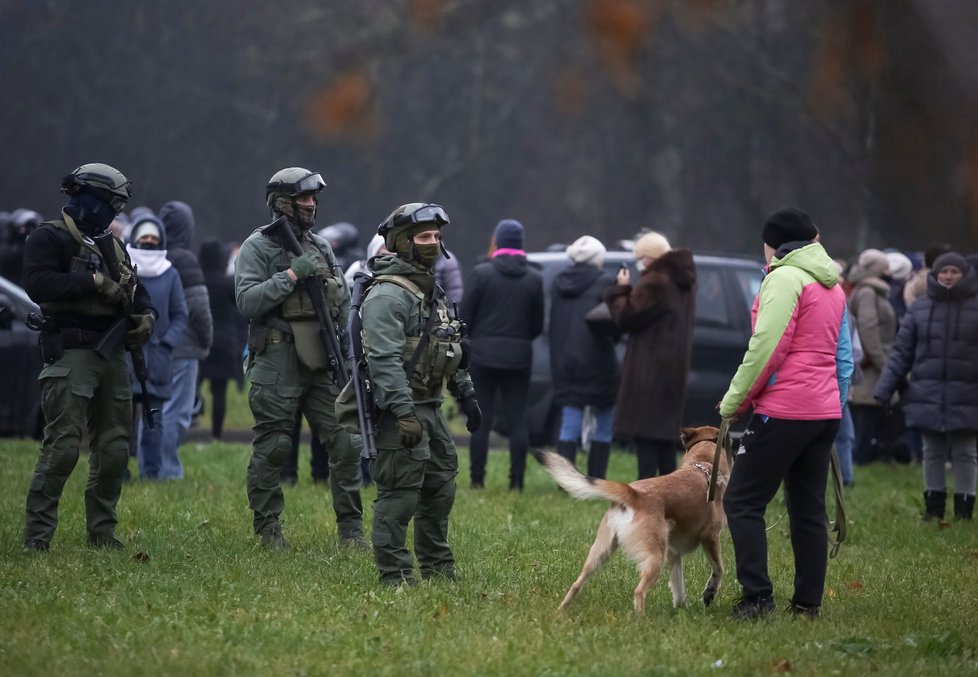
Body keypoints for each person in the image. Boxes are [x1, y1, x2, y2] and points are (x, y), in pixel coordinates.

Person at [719, 207, 852, 620]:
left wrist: (733, 403)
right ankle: (807, 605)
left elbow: (765, 349)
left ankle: (757, 599)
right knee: (808, 508)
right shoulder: (832, 285)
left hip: (784, 411)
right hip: (823, 412)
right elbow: (842, 358)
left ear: (774, 243)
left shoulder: (784, 278)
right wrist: (833, 404)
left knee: (742, 501)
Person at [21, 163, 155, 551]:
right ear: (89, 198)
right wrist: (93, 282)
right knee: (62, 447)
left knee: (114, 450)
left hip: (111, 354)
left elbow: (138, 291)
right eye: (111, 203)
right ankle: (38, 537)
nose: (114, 212)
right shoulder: (49, 236)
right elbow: (37, 283)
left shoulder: (112, 244)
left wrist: (148, 317)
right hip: (70, 351)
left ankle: (102, 533)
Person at [234, 167, 366, 550]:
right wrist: (290, 276)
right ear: (281, 204)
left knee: (346, 443)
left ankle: (351, 532)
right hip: (277, 357)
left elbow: (340, 296)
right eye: (303, 199)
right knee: (274, 445)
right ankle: (268, 529)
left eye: (313, 199)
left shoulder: (321, 246)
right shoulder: (257, 246)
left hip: (321, 356)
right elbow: (247, 301)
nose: (311, 205)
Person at [360, 202, 481, 585]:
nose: (433, 243)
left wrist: (466, 394)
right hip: (400, 411)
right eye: (424, 237)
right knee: (399, 495)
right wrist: (402, 412)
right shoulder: (387, 297)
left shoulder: (433, 291)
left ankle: (438, 568)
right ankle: (394, 575)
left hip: (431, 407)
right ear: (402, 242)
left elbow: (449, 346)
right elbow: (383, 361)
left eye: (437, 237)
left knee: (439, 488)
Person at [875, 252, 978, 521]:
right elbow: (901, 353)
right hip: (927, 392)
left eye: (954, 272)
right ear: (935, 274)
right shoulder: (919, 309)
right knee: (931, 452)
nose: (948, 276)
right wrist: (884, 389)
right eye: (944, 272)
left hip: (968, 394)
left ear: (964, 275)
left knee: (965, 452)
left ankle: (964, 510)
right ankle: (934, 508)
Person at [461, 219, 543, 490]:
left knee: (480, 418)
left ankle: (476, 480)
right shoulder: (534, 277)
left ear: (497, 241)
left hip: (483, 356)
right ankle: (516, 482)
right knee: (517, 419)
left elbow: (466, 316)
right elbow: (537, 324)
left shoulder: (481, 273)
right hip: (519, 357)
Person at [606, 231, 695, 479]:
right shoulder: (684, 281)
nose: (638, 263)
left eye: (640, 257)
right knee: (666, 443)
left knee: (646, 442)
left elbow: (627, 317)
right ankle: (672, 500)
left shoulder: (655, 281)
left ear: (650, 258)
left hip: (649, 373)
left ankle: (648, 501)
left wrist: (620, 290)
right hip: (672, 371)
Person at [549, 235, 618, 478]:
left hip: (565, 361)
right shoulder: (605, 283)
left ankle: (566, 479)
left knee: (570, 422)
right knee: (604, 420)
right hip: (599, 359)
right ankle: (596, 478)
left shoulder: (558, 282)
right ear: (597, 258)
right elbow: (613, 324)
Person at [125, 216, 188, 478]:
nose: (148, 241)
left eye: (153, 237)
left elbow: (180, 314)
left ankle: (151, 473)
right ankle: (119, 473)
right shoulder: (124, 267)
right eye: (144, 236)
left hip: (158, 360)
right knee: (122, 421)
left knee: (154, 422)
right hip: (126, 357)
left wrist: (166, 343)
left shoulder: (170, 273)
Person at [158, 200, 213, 478]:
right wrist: (206, 341)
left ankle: (151, 465)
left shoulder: (154, 254)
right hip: (185, 346)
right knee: (177, 413)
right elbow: (199, 308)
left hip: (156, 347)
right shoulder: (186, 259)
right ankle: (167, 471)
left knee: (154, 410)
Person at [847, 248, 900, 465]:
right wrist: (882, 361)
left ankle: (864, 457)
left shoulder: (870, 290)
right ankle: (860, 459)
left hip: (875, 360)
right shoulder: (868, 292)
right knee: (866, 412)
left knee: (868, 413)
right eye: (884, 266)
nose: (889, 271)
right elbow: (868, 329)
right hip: (872, 364)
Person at [198, 238, 244, 441]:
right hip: (225, 341)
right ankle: (216, 434)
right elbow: (241, 306)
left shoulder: (197, 281)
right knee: (220, 392)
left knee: (193, 386)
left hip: (201, 340)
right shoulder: (227, 284)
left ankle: (191, 422)